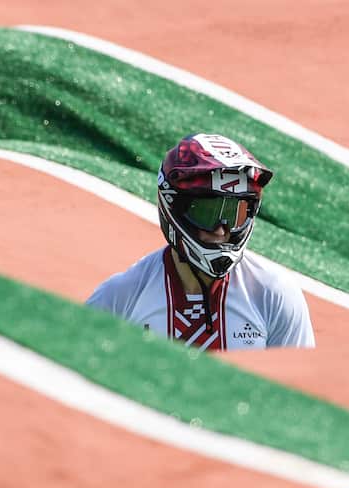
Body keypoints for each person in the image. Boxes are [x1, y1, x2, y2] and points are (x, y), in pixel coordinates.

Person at [86, 133, 315, 351]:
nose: (222, 230)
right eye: (208, 212)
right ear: (173, 206)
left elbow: (297, 378)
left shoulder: (275, 294)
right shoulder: (118, 297)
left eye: (235, 214)